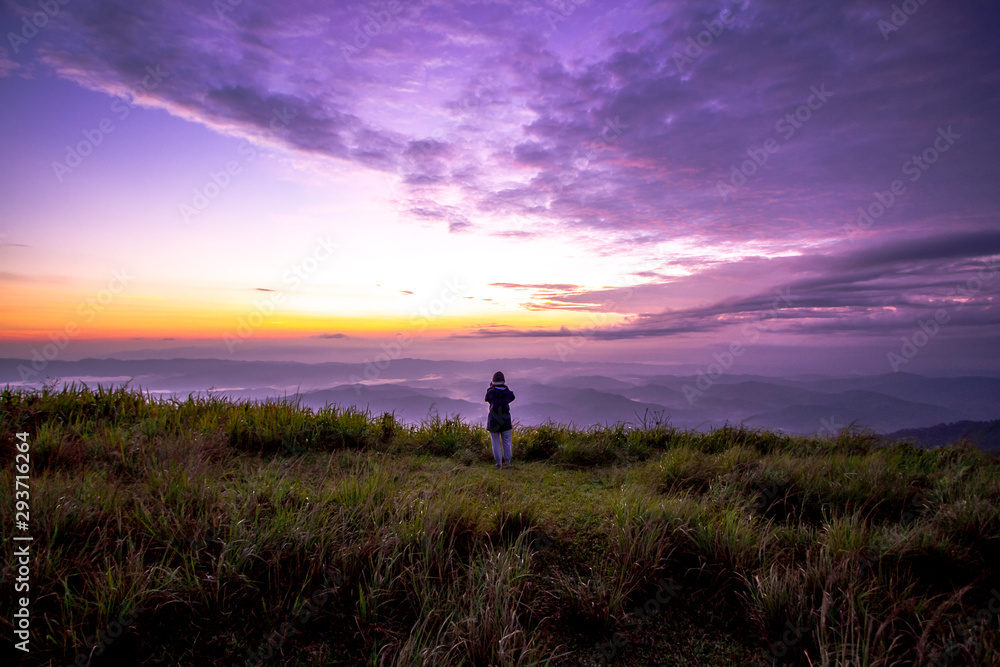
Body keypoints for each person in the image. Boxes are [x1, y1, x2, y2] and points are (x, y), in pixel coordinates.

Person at [485, 371, 515, 469]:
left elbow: (487, 398)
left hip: (494, 420)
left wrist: (490, 387)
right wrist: (505, 388)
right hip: (505, 420)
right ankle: (508, 462)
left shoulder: (491, 392)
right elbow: (511, 397)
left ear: (493, 382)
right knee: (507, 442)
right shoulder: (508, 393)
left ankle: (498, 464)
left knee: (495, 443)